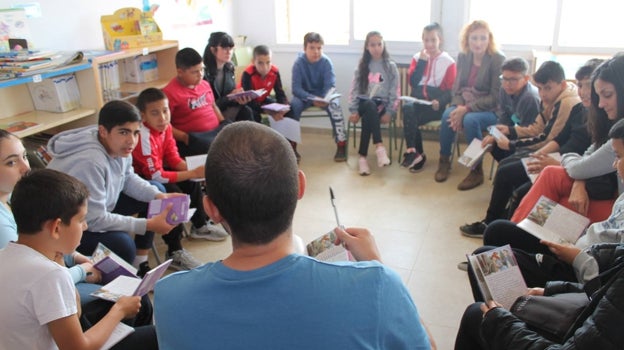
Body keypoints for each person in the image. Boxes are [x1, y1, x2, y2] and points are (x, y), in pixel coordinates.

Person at [153, 121, 435, 349]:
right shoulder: (377, 284)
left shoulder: (170, 297)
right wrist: (377, 264)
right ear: (300, 186)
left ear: (211, 209)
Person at [453, 122, 624, 350]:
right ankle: (496, 312)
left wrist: (501, 323)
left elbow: (599, 287)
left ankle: (495, 316)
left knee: (484, 267)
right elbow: (581, 162)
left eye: (620, 157)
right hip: (578, 253)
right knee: (495, 234)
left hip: (576, 267)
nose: (614, 164)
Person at [0, 169, 158, 350]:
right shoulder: (50, 275)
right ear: (56, 228)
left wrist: (58, 259)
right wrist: (119, 310)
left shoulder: (7, 254)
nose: (85, 226)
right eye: (81, 219)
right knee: (155, 335)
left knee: (137, 306)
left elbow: (74, 313)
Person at [460, 60, 600, 239]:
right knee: (506, 167)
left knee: (515, 184)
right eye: (580, 85)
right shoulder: (579, 108)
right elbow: (558, 139)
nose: (584, 92)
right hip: (560, 162)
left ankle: (504, 229)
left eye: (590, 86)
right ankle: (500, 227)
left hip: (563, 166)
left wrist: (558, 164)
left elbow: (565, 146)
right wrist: (536, 153)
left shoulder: (569, 105)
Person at [47, 100, 179, 275]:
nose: (131, 140)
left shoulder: (119, 147)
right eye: (124, 132)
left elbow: (128, 178)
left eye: (136, 133)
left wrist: (156, 196)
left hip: (97, 205)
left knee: (157, 192)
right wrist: (147, 225)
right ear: (103, 131)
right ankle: (107, 274)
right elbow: (94, 219)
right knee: (123, 244)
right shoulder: (90, 161)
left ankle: (140, 263)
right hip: (70, 224)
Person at [510, 55, 624, 224]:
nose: (600, 104)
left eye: (607, 95)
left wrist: (576, 169)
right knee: (549, 180)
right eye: (598, 96)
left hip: (616, 211)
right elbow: (585, 157)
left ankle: (514, 237)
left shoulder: (620, 134)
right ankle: (513, 236)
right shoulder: (601, 117)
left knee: (552, 206)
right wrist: (580, 178)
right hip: (598, 188)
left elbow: (580, 165)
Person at [132, 88, 228, 269]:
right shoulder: (143, 136)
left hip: (157, 172)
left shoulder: (165, 127)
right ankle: (174, 250)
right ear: (143, 116)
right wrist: (192, 172)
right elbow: (156, 175)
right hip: (143, 180)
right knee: (173, 197)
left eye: (165, 110)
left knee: (191, 183)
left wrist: (196, 171)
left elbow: (173, 158)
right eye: (155, 113)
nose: (163, 117)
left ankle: (199, 225)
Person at [435, 20, 505, 190]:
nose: (478, 43)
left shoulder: (497, 59)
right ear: (467, 39)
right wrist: (459, 108)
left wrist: (465, 110)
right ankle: (444, 160)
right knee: (446, 116)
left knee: (470, 121)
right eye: (474, 38)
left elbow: (495, 97)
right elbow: (457, 88)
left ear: (489, 39)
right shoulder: (464, 56)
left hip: (490, 109)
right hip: (464, 102)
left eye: (483, 38)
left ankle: (476, 170)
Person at [401, 23, 456, 173]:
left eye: (433, 40)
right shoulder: (417, 58)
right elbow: (412, 82)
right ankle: (414, 151)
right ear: (422, 40)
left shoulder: (448, 62)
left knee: (410, 119)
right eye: (426, 40)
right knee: (407, 107)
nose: (429, 44)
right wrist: (422, 63)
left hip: (434, 106)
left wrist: (441, 101)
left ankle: (416, 154)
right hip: (417, 103)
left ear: (440, 40)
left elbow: (452, 91)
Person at [348, 31, 399, 175]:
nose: (376, 48)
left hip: (381, 105)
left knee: (369, 117)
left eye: (379, 44)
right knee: (369, 106)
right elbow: (354, 90)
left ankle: (362, 158)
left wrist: (390, 112)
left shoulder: (391, 67)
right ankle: (379, 147)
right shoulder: (362, 66)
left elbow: (395, 92)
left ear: (383, 45)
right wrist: (354, 110)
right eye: (372, 45)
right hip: (363, 104)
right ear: (367, 47)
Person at [291, 32, 348, 162]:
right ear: (305, 48)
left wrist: (323, 99)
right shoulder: (298, 63)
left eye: (319, 48)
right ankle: (291, 146)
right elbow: (296, 89)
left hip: (323, 96)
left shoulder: (326, 62)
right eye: (312, 48)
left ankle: (341, 144)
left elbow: (330, 86)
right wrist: (312, 99)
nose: (316, 51)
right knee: (293, 106)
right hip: (305, 97)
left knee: (335, 104)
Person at [163, 47, 230, 157]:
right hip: (195, 138)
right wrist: (184, 137)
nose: (200, 74)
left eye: (202, 69)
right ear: (180, 72)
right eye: (195, 72)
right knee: (214, 148)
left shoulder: (205, 84)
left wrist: (223, 124)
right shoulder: (169, 93)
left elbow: (213, 106)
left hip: (215, 131)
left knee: (238, 135)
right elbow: (165, 125)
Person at [240, 45, 299, 160]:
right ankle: (256, 153)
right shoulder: (247, 74)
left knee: (291, 110)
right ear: (253, 62)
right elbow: (250, 102)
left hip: (263, 99)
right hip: (249, 103)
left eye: (268, 62)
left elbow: (280, 94)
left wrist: (283, 108)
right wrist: (269, 111)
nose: (265, 67)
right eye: (260, 63)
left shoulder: (275, 72)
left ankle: (290, 149)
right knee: (252, 115)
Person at [483, 57, 540, 161]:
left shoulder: (530, 98)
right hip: (517, 130)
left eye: (513, 79)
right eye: (504, 79)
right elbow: (505, 115)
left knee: (507, 154)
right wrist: (494, 135)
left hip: (531, 138)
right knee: (494, 145)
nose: (507, 84)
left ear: (526, 79)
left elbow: (530, 132)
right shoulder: (504, 90)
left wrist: (508, 140)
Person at [203, 31, 254, 123]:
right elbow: (209, 105)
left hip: (227, 109)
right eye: (225, 48)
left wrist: (239, 98)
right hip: (213, 113)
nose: (229, 52)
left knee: (247, 111)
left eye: (231, 48)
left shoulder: (229, 67)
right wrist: (229, 97)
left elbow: (231, 95)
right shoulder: (203, 74)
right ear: (213, 50)